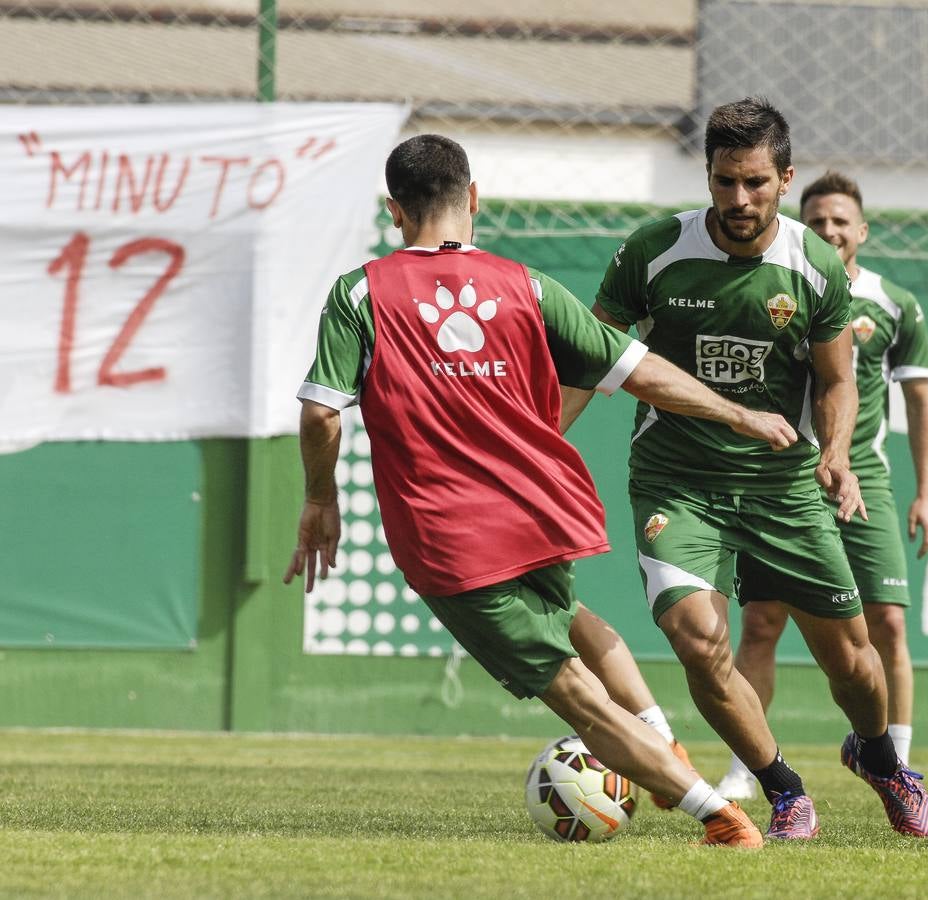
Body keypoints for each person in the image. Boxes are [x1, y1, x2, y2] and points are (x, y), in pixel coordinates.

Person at [283, 133, 807, 848]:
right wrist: (738, 412)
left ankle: (718, 816)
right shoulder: (526, 286)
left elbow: (320, 412)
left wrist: (320, 499)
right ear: (473, 200)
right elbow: (638, 369)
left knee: (579, 701)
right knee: (578, 622)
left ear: (394, 212)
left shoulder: (361, 293)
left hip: (452, 538)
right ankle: (662, 740)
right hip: (535, 509)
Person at [579, 98, 928, 839]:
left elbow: (837, 381)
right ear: (706, 176)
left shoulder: (811, 264)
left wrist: (835, 455)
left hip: (782, 484)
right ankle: (782, 789)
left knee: (853, 665)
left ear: (784, 178)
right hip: (677, 480)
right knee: (695, 636)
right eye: (722, 183)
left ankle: (877, 758)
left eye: (754, 184)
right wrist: (541, 439)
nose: (737, 201)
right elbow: (592, 354)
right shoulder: (652, 252)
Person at [716, 171, 928, 800]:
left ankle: (894, 763)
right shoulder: (782, 285)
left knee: (887, 623)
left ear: (861, 231)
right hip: (785, 473)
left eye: (841, 220)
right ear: (797, 225)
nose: (830, 230)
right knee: (762, 621)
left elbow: (920, 401)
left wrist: (926, 492)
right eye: (817, 221)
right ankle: (744, 769)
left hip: (863, 474)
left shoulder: (893, 304)